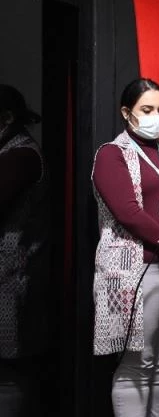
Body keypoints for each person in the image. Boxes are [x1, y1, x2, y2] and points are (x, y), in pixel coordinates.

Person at [92, 78, 159, 417]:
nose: (157, 117)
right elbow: (128, 212)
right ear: (127, 113)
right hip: (135, 270)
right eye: (147, 110)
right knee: (138, 364)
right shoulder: (111, 154)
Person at [0, 85, 50, 417]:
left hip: (12, 279)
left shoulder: (21, 156)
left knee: (8, 371)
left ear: (6, 118)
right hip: (10, 276)